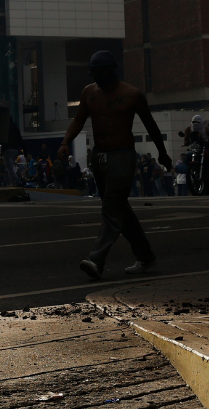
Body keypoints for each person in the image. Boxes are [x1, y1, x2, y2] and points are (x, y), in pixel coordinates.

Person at [61, 50, 170, 280]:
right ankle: (146, 256)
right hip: (100, 157)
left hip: (122, 156)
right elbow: (79, 119)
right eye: (94, 73)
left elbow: (151, 126)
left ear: (112, 70)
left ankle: (96, 260)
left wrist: (163, 154)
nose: (98, 77)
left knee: (111, 209)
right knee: (119, 209)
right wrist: (65, 143)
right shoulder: (89, 92)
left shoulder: (132, 95)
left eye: (102, 72)